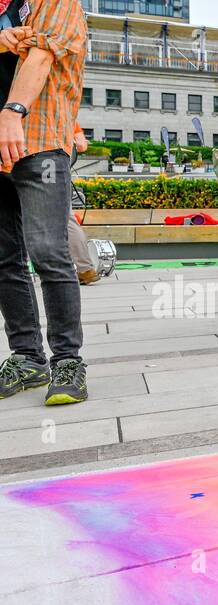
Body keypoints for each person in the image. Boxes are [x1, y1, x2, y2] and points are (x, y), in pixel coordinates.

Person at [0, 0, 90, 405]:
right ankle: (26, 357)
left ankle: (68, 360)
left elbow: (40, 54)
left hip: (39, 141)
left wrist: (12, 112)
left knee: (49, 251)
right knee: (4, 257)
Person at [68, 123, 97, 284]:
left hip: (38, 164)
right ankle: (85, 268)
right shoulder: (64, 109)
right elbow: (81, 144)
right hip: (58, 166)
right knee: (66, 218)